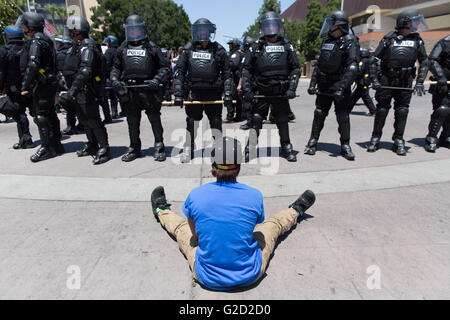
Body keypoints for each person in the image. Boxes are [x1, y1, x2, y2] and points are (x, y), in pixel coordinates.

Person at [150, 136, 316, 291]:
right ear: (238, 167)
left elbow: (196, 236)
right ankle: (296, 210)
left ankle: (161, 210)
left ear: (213, 167)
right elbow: (254, 225)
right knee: (273, 225)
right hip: (250, 274)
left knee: (181, 228)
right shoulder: (254, 195)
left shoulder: (196, 195)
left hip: (206, 276)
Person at [367, 8, 429, 156]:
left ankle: (398, 139)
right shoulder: (389, 39)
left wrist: (420, 81)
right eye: (415, 21)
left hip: (405, 80)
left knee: (402, 111)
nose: (418, 23)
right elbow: (373, 60)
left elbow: (425, 62)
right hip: (387, 78)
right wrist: (374, 79)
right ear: (405, 22)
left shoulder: (417, 41)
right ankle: (376, 138)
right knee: (382, 110)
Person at [242, 11, 301, 162]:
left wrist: (292, 88)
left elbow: (295, 68)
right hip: (262, 90)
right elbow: (247, 69)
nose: (271, 29)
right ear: (263, 28)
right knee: (256, 119)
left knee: (282, 119)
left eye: (273, 25)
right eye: (267, 26)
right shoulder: (256, 46)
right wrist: (247, 90)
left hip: (280, 91)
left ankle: (286, 147)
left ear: (278, 26)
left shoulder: (287, 45)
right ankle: (250, 148)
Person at [110, 14, 170, 162]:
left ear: (142, 29)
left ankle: (159, 145)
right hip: (130, 90)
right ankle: (134, 147)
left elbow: (164, 68)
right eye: (131, 30)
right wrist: (114, 79)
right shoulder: (122, 48)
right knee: (132, 120)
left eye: (137, 30)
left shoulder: (152, 47)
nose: (134, 33)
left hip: (149, 89)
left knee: (154, 118)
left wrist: (157, 79)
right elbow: (116, 68)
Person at [173, 18, 234, 163]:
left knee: (216, 121)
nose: (202, 33)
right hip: (194, 92)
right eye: (199, 30)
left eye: (205, 30)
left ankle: (219, 148)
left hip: (213, 92)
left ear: (210, 32)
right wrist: (178, 94)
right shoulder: (188, 49)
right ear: (195, 32)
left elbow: (227, 74)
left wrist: (228, 93)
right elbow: (179, 72)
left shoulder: (218, 50)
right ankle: (189, 147)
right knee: (191, 121)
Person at [305, 10, 359, 161]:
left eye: (331, 25)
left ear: (339, 26)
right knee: (319, 113)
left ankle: (345, 145)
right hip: (324, 85)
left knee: (342, 116)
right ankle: (313, 141)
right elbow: (320, 65)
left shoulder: (350, 41)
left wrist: (342, 87)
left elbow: (353, 67)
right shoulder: (327, 42)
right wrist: (313, 83)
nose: (328, 28)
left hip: (340, 85)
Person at [59, 16, 110, 165]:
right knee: (84, 120)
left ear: (77, 31)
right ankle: (92, 144)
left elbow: (85, 71)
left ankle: (104, 148)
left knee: (93, 120)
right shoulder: (77, 46)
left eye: (71, 31)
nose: (69, 33)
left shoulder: (87, 46)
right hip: (78, 90)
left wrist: (72, 90)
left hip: (87, 90)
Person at [20, 12, 64, 162]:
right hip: (49, 83)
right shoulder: (47, 40)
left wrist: (25, 84)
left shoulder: (36, 42)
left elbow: (33, 64)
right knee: (50, 113)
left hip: (42, 84)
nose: (22, 27)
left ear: (30, 26)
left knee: (41, 115)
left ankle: (47, 147)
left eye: (24, 24)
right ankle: (56, 144)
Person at [0, 25, 34, 149]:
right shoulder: (30, 47)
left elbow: (1, 72)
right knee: (38, 113)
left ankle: (26, 139)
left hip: (14, 87)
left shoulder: (4, 50)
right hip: (31, 85)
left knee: (20, 113)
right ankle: (50, 139)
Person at [424, 35, 450, 152]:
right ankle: (432, 138)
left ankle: (446, 137)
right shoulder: (445, 42)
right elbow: (432, 60)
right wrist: (441, 76)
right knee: (442, 109)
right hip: (443, 82)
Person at [54, 34, 80, 136]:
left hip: (66, 82)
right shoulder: (73, 51)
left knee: (68, 105)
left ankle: (71, 127)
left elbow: (60, 70)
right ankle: (80, 124)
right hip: (76, 82)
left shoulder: (60, 55)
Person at [350, 47, 376, 116]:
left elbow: (360, 70)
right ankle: (347, 109)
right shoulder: (369, 60)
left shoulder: (363, 61)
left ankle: (373, 111)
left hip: (362, 82)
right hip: (363, 82)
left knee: (365, 97)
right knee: (355, 97)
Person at [226, 38, 244, 123]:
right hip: (237, 79)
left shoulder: (236, 54)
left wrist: (225, 63)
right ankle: (237, 116)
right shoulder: (238, 53)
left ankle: (231, 116)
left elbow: (233, 64)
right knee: (237, 98)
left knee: (233, 97)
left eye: (230, 44)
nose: (229, 46)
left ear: (235, 45)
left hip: (235, 79)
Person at [102, 35, 120, 120]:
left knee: (107, 95)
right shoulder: (118, 50)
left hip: (109, 75)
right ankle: (115, 112)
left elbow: (106, 64)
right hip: (118, 75)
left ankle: (109, 115)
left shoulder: (109, 51)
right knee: (115, 95)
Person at [239, 36, 255, 131]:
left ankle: (250, 122)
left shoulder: (250, 54)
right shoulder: (247, 55)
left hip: (250, 83)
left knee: (248, 103)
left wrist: (240, 84)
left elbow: (245, 72)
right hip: (248, 82)